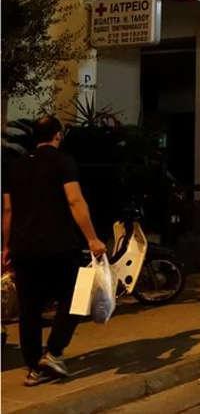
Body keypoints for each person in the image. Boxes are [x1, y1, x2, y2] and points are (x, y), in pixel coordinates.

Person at [2, 116, 106, 386]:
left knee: (29, 309)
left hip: (24, 248)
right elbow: (74, 201)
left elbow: (8, 210)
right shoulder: (63, 161)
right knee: (75, 299)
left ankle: (34, 367)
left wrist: (6, 246)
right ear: (58, 135)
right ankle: (53, 352)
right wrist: (92, 238)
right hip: (59, 246)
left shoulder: (16, 166)